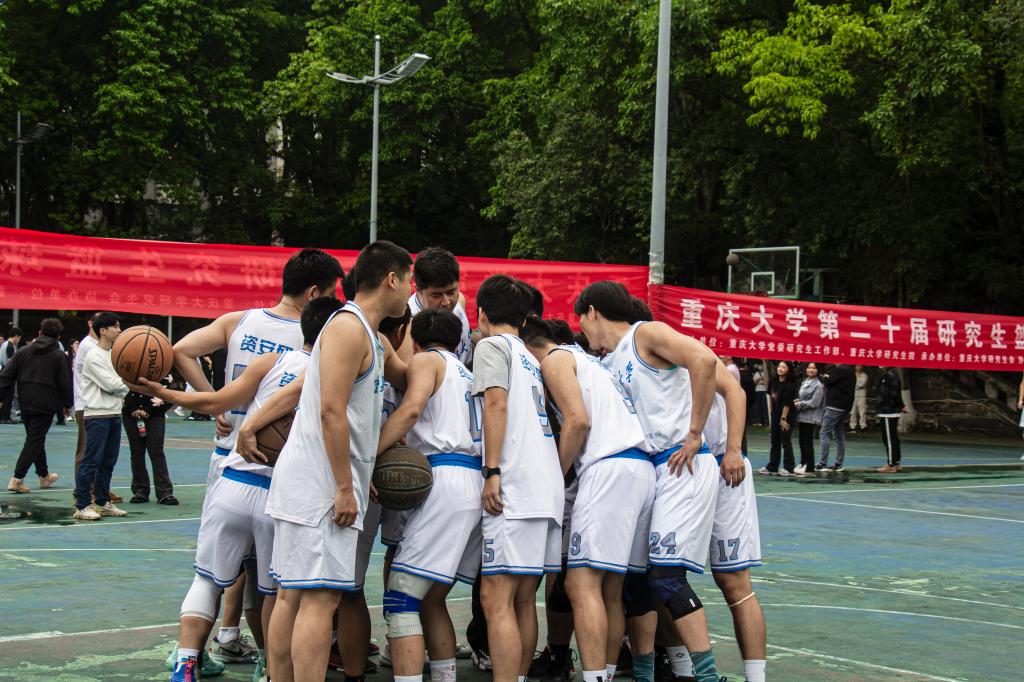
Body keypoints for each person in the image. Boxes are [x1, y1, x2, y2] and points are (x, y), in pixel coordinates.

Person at [170, 247, 342, 668]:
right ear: (315, 294)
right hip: (283, 471)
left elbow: (181, 349)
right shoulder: (321, 340)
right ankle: (271, 664)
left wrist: (217, 405)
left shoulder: (239, 321)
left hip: (229, 463)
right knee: (276, 586)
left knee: (212, 571)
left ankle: (196, 654)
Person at [576, 280, 741, 682]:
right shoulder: (609, 361)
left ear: (592, 312)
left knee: (667, 578)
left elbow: (703, 360)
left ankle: (708, 676)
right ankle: (646, 671)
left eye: (581, 319)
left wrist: (695, 433)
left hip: (681, 463)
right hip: (650, 472)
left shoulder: (645, 333)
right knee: (637, 580)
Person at [262, 241, 411, 682]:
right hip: (322, 484)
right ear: (392, 279)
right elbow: (332, 411)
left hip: (312, 479)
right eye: (409, 281)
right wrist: (345, 486)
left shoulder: (365, 332)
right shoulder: (349, 328)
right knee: (319, 599)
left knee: (292, 594)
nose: (410, 291)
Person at [521, 317, 654, 682]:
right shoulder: (590, 362)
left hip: (607, 467)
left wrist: (553, 477)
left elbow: (577, 421)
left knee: (580, 585)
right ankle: (604, 675)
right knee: (609, 589)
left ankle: (594, 676)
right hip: (638, 467)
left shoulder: (554, 360)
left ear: (529, 347)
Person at [374, 308, 483, 682]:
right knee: (432, 599)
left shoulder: (426, 361)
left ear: (415, 342)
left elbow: (410, 410)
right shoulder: (469, 373)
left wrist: (367, 457)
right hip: (473, 480)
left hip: (445, 477)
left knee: (401, 597)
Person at [473, 275, 564, 682]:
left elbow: (496, 403)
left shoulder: (491, 346)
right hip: (545, 485)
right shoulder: (530, 356)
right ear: (525, 320)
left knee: (496, 598)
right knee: (525, 599)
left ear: (481, 314)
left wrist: (492, 471)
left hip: (515, 485)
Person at [1, 319, 73, 493]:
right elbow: (65, 382)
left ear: (40, 333)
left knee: (35, 438)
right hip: (46, 403)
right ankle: (17, 478)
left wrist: (1, 396)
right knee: (35, 439)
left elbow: (6, 375)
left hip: (25, 401)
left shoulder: (23, 351)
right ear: (58, 337)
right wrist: (67, 404)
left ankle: (44, 475)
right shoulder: (58, 356)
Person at [73, 312, 129, 520]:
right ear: (102, 330)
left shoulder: (114, 354)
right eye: (115, 327)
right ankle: (82, 505)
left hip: (114, 412)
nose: (119, 330)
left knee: (108, 461)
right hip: (97, 415)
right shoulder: (94, 356)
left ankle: (102, 502)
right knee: (91, 460)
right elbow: (112, 385)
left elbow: (119, 383)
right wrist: (131, 384)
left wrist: (125, 384)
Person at [403, 246, 474, 366]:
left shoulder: (460, 300)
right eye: (436, 295)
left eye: (451, 292)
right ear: (418, 290)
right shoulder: (408, 326)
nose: (446, 302)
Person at [122, 383, 176, 504]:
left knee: (156, 451)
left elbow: (171, 389)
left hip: (156, 413)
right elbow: (120, 386)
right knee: (136, 452)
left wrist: (148, 409)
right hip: (130, 413)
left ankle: (164, 491)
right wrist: (132, 408)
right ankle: (140, 489)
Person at [816, 364, 855, 472]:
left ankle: (822, 462)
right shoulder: (851, 371)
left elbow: (827, 381)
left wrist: (824, 376)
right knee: (839, 434)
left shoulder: (839, 370)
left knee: (824, 432)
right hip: (845, 406)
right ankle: (838, 463)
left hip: (835, 405)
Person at [761, 360, 796, 476]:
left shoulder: (789, 385)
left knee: (786, 441)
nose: (780, 369)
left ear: (788, 370)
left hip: (786, 416)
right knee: (774, 441)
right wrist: (771, 413)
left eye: (783, 367)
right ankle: (772, 466)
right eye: (779, 367)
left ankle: (789, 468)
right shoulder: (773, 381)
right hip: (775, 415)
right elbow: (770, 397)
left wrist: (783, 418)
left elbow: (787, 404)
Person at [793, 362, 824, 475]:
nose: (811, 370)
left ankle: (809, 466)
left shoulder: (819, 385)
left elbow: (814, 403)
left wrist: (800, 404)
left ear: (817, 370)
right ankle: (803, 462)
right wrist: (798, 400)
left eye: (814, 368)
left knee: (807, 441)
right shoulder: (804, 381)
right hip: (802, 415)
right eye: (809, 368)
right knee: (801, 441)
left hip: (811, 416)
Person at [875, 367, 907, 473]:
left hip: (888, 411)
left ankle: (891, 464)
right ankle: (896, 462)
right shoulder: (888, 374)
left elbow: (894, 393)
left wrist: (901, 405)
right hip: (888, 410)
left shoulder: (890, 375)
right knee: (893, 438)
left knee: (889, 438)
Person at [0, 326, 24, 423]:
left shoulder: (5, 344)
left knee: (4, 395)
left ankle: (4, 416)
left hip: (4, 370)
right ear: (16, 336)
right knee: (8, 396)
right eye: (19, 338)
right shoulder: (10, 346)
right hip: (8, 372)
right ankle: (6, 417)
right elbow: (11, 362)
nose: (19, 340)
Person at [850, 365, 868, 431]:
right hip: (853, 395)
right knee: (853, 411)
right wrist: (856, 384)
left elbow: (862, 384)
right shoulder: (852, 374)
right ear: (855, 367)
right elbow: (850, 384)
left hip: (862, 395)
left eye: (860, 366)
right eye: (857, 366)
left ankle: (863, 426)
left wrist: (854, 385)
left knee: (862, 411)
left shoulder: (864, 375)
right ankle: (852, 426)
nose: (859, 367)